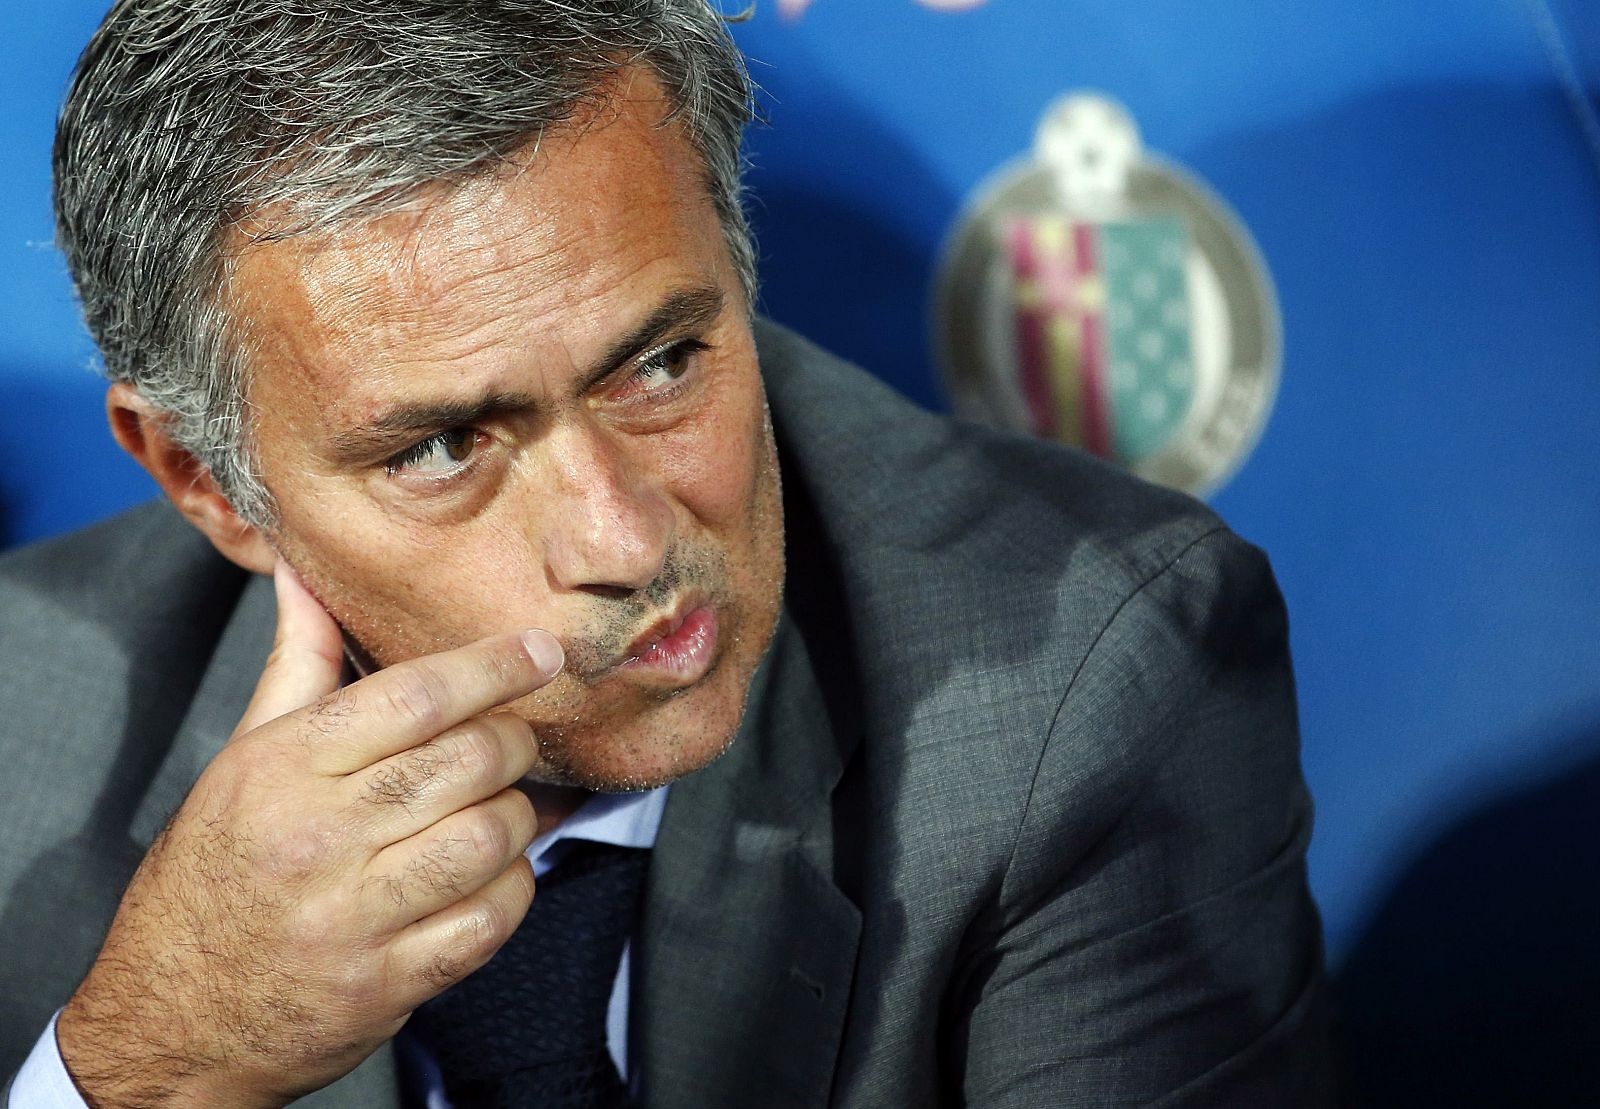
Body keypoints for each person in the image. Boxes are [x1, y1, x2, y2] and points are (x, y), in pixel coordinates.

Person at [0, 1, 1335, 1105]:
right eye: (444, 445)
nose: (626, 539)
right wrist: (147, 1065)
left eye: (661, 361)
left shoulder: (1084, 685)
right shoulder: (21, 728)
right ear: (205, 481)